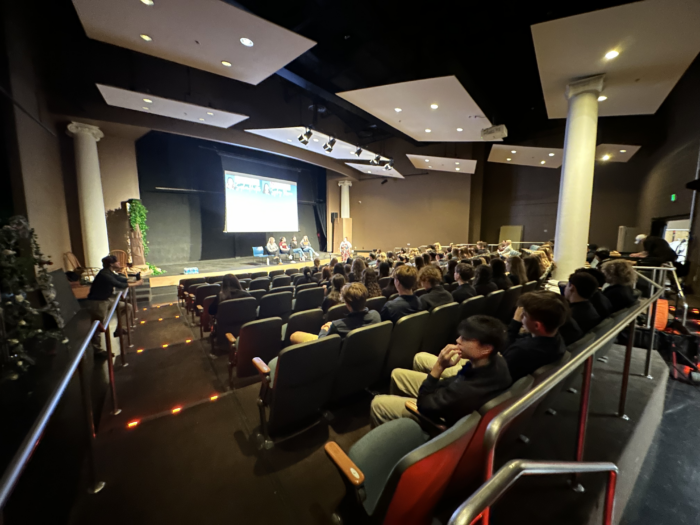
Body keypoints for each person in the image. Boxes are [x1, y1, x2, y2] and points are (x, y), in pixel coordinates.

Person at [370, 315, 512, 427]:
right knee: (398, 374)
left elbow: (424, 404)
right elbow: (455, 383)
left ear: (486, 348)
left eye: (466, 338)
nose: (458, 340)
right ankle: (401, 424)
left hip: (437, 417)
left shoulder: (464, 391)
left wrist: (439, 367)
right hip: (447, 396)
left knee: (378, 403)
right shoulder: (498, 361)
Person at [502, 291, 567, 382]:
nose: (520, 317)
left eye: (524, 315)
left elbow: (501, 362)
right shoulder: (557, 338)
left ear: (537, 326)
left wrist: (515, 322)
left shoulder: (521, 351)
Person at [291, 283, 380, 344]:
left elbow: (322, 343)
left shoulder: (337, 326)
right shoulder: (376, 315)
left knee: (294, 336)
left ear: (347, 304)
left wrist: (324, 329)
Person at [87, 255, 142, 354]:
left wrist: (133, 280)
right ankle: (97, 350)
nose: (119, 263)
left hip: (107, 299)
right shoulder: (104, 274)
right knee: (98, 325)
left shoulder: (109, 272)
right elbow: (118, 284)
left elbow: (120, 279)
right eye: (117, 262)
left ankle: (120, 328)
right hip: (98, 302)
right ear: (111, 264)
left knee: (127, 307)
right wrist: (136, 284)